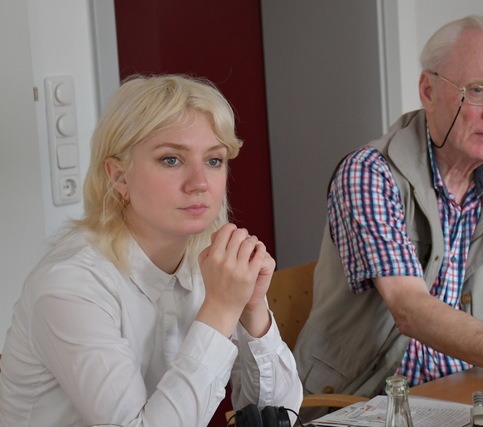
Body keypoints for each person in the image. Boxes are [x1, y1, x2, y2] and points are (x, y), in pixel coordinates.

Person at [293, 15, 483, 398]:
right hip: (376, 401)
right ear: (428, 90)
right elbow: (410, 307)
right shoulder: (369, 173)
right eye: (477, 90)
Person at [0, 75, 302, 426]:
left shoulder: (207, 260)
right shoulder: (70, 287)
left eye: (214, 160)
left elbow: (279, 415)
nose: (200, 183)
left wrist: (252, 309)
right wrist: (220, 308)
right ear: (119, 178)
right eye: (171, 160)